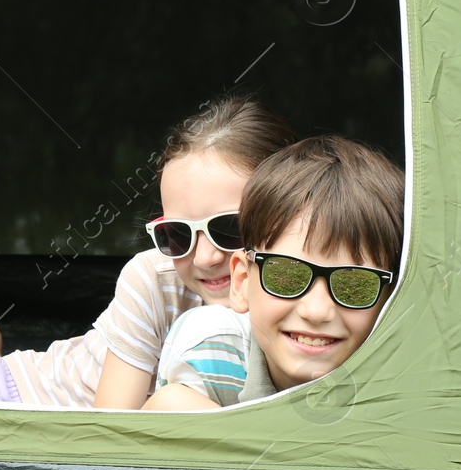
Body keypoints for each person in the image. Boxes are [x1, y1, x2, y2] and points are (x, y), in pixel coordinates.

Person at [0, 96, 295, 408]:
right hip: (12, 401)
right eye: (177, 235)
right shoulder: (154, 280)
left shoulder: (305, 295)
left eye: (229, 228)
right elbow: (110, 437)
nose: (204, 257)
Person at [142, 135, 405, 411]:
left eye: (354, 284)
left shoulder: (412, 386)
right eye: (287, 276)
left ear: (391, 296)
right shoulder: (207, 352)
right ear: (242, 282)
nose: (316, 311)